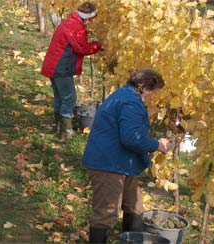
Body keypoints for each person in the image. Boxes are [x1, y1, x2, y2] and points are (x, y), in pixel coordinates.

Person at [82, 69, 172, 243]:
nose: (152, 96)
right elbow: (131, 138)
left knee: (135, 205)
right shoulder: (130, 102)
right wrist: (157, 145)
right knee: (107, 212)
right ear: (143, 87)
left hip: (122, 161)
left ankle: (131, 240)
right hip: (107, 164)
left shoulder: (124, 94)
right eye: (152, 92)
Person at [40, 1, 102, 139]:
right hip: (61, 68)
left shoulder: (70, 23)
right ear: (87, 17)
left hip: (54, 66)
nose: (91, 23)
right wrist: (98, 45)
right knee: (69, 99)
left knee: (60, 98)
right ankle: (66, 131)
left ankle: (59, 128)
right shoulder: (75, 28)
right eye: (91, 20)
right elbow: (83, 49)